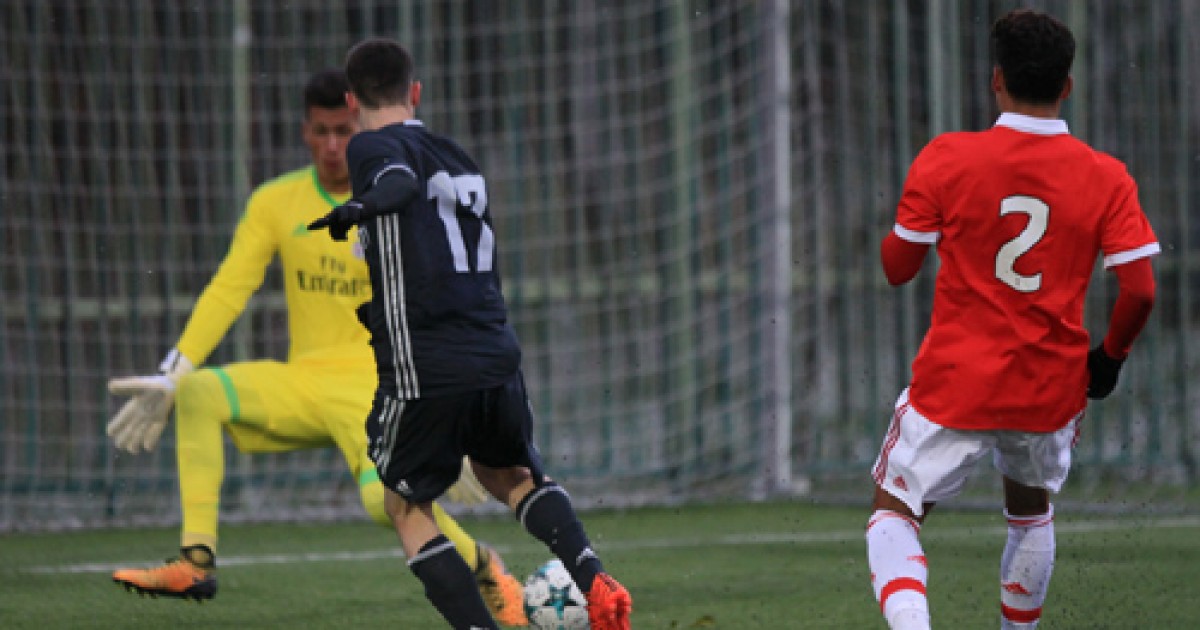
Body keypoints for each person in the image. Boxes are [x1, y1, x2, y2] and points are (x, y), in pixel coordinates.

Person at [105, 68, 529, 627]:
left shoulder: (404, 197)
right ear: (304, 131)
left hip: (380, 387)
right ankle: (196, 562)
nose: (332, 146)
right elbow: (230, 287)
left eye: (343, 131)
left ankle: (485, 567)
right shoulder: (276, 201)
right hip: (304, 381)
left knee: (384, 501)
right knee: (200, 392)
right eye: (320, 132)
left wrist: (451, 409)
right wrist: (175, 368)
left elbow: (453, 294)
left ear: (363, 125)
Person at [306, 39, 632, 630]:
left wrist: (356, 209)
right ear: (415, 92)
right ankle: (593, 577)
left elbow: (398, 184)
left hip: (427, 362)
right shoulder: (458, 156)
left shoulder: (371, 146)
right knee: (509, 476)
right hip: (493, 350)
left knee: (405, 504)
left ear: (352, 103)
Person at [865, 9, 1158, 630]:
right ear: (1066, 85)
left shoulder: (947, 157)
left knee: (894, 511)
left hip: (957, 380)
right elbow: (1139, 291)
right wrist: (1109, 359)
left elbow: (897, 268)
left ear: (996, 79)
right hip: (1049, 384)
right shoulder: (1106, 176)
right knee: (1029, 510)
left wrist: (907, 225)